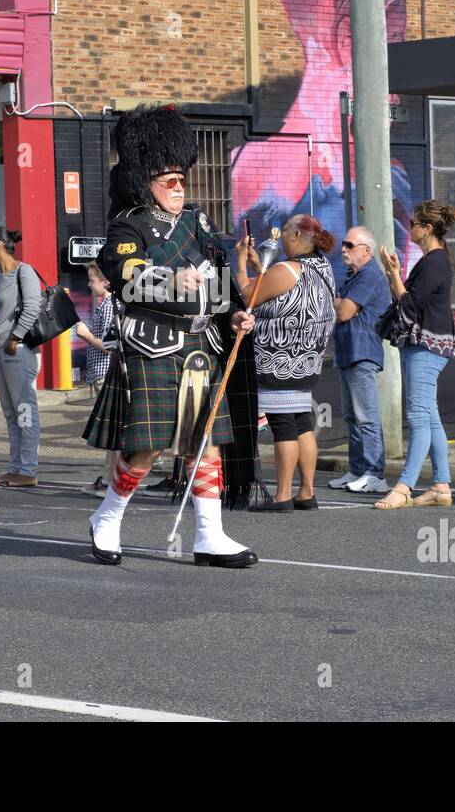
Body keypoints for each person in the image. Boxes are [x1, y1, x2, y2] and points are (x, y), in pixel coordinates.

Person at [84, 105, 259, 568]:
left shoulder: (198, 223)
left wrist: (237, 313)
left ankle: (210, 534)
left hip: (204, 344)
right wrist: (167, 279)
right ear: (147, 183)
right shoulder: (129, 225)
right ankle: (108, 517)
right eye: (170, 182)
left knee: (206, 440)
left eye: (183, 181)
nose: (180, 189)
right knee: (150, 445)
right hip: (154, 345)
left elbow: (220, 273)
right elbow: (124, 275)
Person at [235, 214, 336, 511]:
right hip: (307, 359)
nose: (279, 236)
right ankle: (306, 491)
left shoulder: (286, 269)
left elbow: (247, 293)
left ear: (294, 237)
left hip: (279, 359)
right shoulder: (322, 267)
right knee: (302, 423)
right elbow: (281, 288)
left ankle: (281, 496)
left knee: (283, 426)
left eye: (286, 231)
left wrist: (241, 262)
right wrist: (259, 263)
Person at [373, 200, 455, 509]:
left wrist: (394, 273)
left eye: (413, 223)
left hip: (426, 347)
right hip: (426, 346)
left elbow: (409, 306)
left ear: (427, 228)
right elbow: (406, 299)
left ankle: (405, 485)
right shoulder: (432, 260)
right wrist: (392, 272)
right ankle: (441, 485)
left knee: (419, 417)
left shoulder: (434, 262)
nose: (409, 227)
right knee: (430, 416)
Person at [328, 225, 392, 493]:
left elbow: (342, 312)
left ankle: (375, 474)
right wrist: (339, 303)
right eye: (343, 244)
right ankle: (356, 470)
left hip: (362, 353)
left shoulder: (369, 276)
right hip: (347, 352)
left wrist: (339, 303)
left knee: (367, 417)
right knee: (352, 418)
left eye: (349, 245)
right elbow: (340, 306)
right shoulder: (354, 275)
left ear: (366, 250)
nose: (343, 249)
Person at [0, 226, 43, 488]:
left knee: (24, 410)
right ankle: (16, 467)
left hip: (18, 350)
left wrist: (16, 337)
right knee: (11, 413)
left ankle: (28, 469)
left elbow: (32, 306)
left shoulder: (24, 271)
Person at [74, 261, 118, 495]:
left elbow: (110, 346)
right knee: (111, 430)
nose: (89, 285)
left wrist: (86, 335)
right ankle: (111, 477)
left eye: (92, 280)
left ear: (106, 281)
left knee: (112, 430)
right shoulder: (105, 305)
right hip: (101, 374)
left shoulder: (110, 306)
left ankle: (113, 480)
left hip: (106, 373)